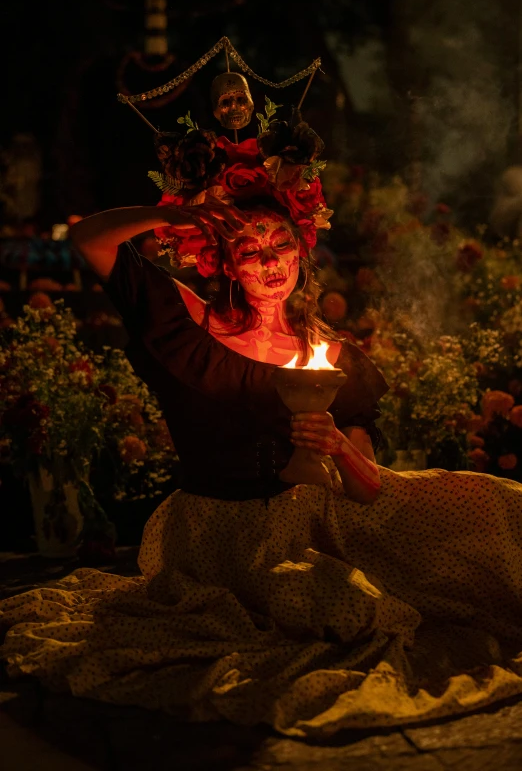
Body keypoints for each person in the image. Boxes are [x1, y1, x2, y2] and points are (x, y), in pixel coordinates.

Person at [1, 114, 522, 739]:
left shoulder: (328, 354)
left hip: (320, 519)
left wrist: (335, 447)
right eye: (250, 249)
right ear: (226, 261)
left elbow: (367, 487)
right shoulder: (184, 323)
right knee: (353, 610)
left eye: (280, 246)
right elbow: (90, 240)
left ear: (302, 252)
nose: (269, 261)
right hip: (223, 532)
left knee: (498, 503)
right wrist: (181, 218)